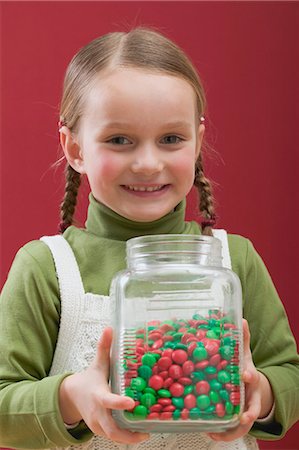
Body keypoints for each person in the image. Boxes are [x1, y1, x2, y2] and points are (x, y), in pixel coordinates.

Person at [0, 27, 298, 450]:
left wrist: (259, 393)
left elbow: (289, 374)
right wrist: (70, 398)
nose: (146, 163)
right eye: (119, 140)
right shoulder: (46, 267)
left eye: (171, 139)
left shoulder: (234, 258)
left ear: (197, 141)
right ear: (74, 148)